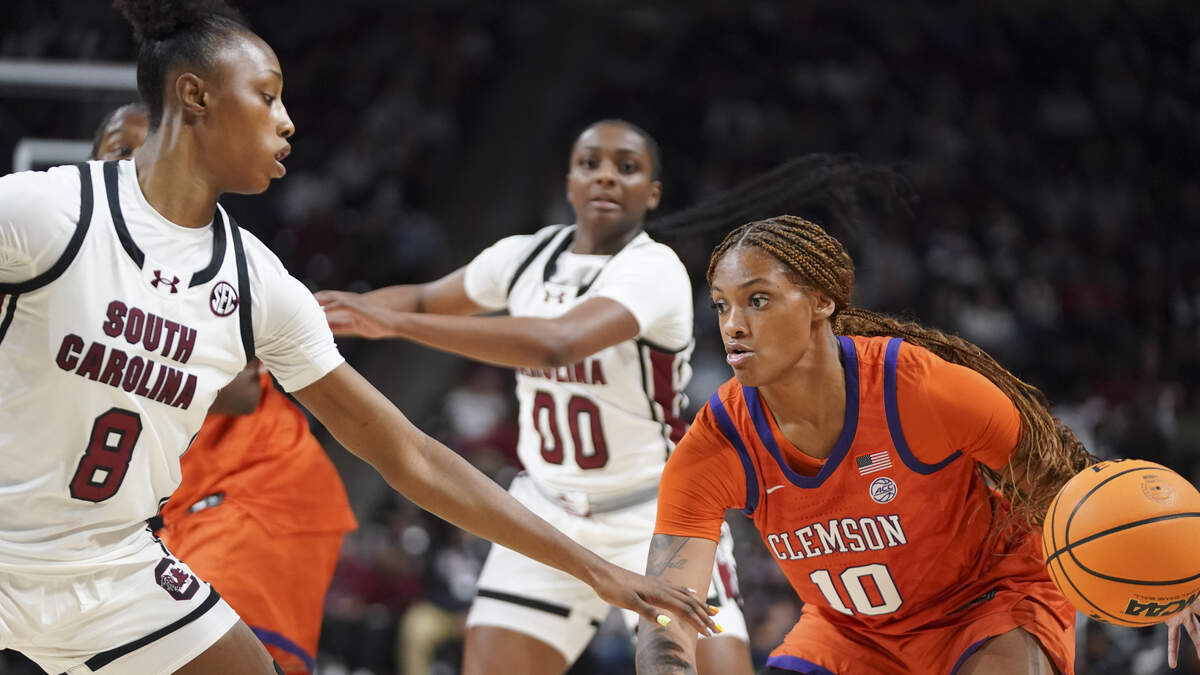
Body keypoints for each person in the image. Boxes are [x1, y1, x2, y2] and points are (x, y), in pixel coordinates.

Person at [0, 2, 715, 674]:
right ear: (195, 96)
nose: (287, 122)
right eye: (267, 96)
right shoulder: (45, 212)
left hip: (116, 569)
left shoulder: (257, 282)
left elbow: (411, 455)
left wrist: (598, 570)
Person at [316, 119, 753, 675]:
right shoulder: (524, 256)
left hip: (656, 512)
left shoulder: (654, 268)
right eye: (590, 163)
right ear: (569, 182)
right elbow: (424, 298)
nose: (606, 177)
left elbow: (555, 344)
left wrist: (395, 324)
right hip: (548, 509)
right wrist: (311, 316)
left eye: (627, 167)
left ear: (652, 193)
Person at [635, 213, 1096, 674]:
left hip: (985, 602)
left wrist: (1135, 563)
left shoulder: (918, 389)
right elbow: (666, 613)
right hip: (851, 632)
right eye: (721, 305)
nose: (733, 325)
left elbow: (1064, 491)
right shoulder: (717, 445)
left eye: (758, 300)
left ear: (821, 301)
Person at [92, 102, 357, 674]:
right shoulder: (66, 255)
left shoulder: (213, 259)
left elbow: (241, 386)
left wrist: (108, 366)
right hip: (176, 505)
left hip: (255, 485)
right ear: (92, 161)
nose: (136, 165)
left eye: (150, 151)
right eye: (121, 151)